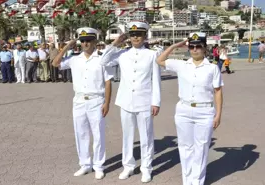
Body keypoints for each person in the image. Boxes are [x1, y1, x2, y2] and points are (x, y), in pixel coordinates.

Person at [156, 32, 224, 185]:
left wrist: (218, 115)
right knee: (185, 148)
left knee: (201, 148)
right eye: (191, 46)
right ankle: (187, 181)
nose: (194, 49)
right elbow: (159, 60)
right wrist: (176, 45)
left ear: (204, 48)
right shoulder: (182, 65)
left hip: (205, 111)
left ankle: (197, 181)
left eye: (198, 46)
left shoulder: (212, 68)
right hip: (184, 111)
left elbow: (218, 91)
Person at [100, 21, 161, 183]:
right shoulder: (122, 54)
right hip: (126, 101)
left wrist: (156, 102)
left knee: (146, 136)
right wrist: (115, 43)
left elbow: (156, 80)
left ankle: (146, 168)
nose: (136, 37)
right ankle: (128, 166)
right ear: (129, 36)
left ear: (144, 36)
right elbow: (103, 61)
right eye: (133, 34)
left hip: (145, 101)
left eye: (139, 34)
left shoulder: (152, 55)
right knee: (127, 136)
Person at [52, 27, 113, 180]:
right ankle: (85, 164)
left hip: (96, 101)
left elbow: (108, 83)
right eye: (82, 41)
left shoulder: (102, 59)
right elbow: (54, 63)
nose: (85, 44)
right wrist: (66, 47)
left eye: (88, 41)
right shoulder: (74, 59)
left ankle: (99, 165)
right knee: (81, 134)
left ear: (94, 42)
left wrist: (107, 103)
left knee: (98, 135)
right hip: (79, 101)